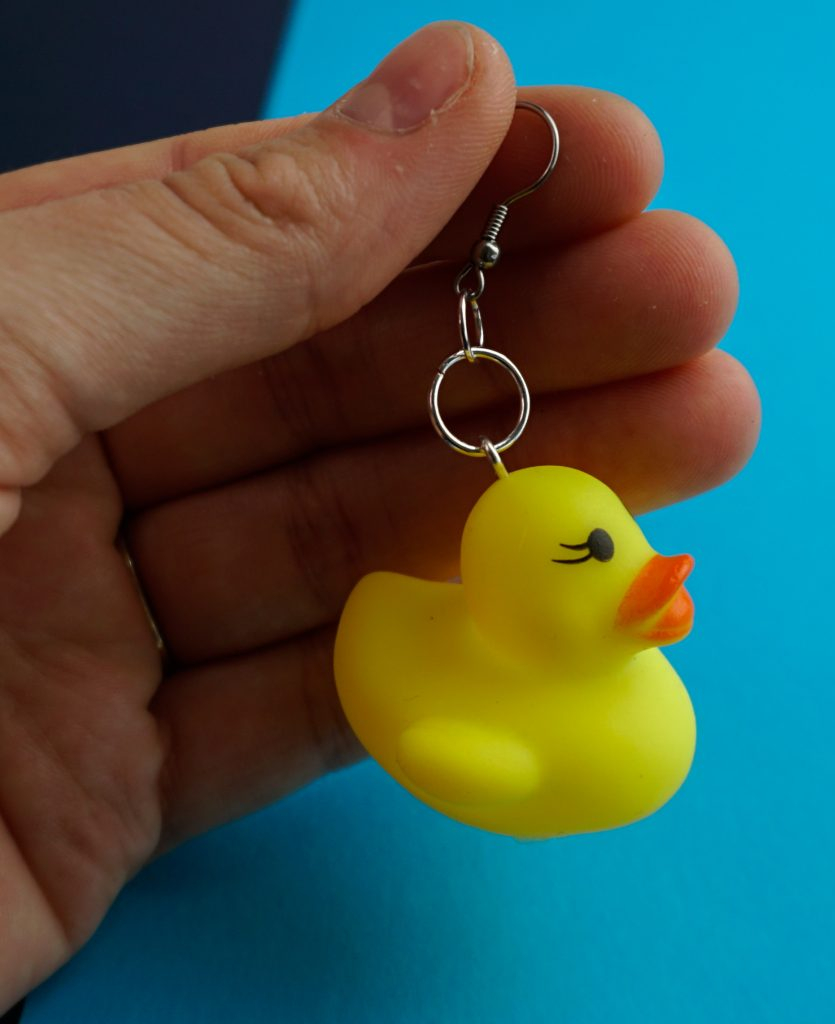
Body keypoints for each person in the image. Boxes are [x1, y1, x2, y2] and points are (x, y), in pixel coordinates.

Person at [0, 21, 759, 1008]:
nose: (653, 569)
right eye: (593, 551)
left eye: (616, 546)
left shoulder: (604, 689)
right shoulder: (513, 726)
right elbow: (456, 752)